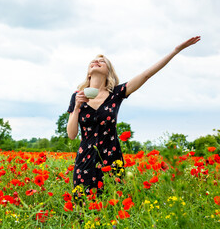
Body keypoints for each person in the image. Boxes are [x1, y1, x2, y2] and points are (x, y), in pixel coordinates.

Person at [66, 36, 201, 201]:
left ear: (108, 71)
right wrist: (77, 107)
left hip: (111, 161)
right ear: (88, 72)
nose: (96, 61)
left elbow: (146, 75)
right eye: (93, 61)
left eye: (102, 61)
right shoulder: (77, 96)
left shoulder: (116, 94)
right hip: (85, 162)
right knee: (83, 212)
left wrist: (175, 51)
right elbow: (72, 134)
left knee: (113, 209)